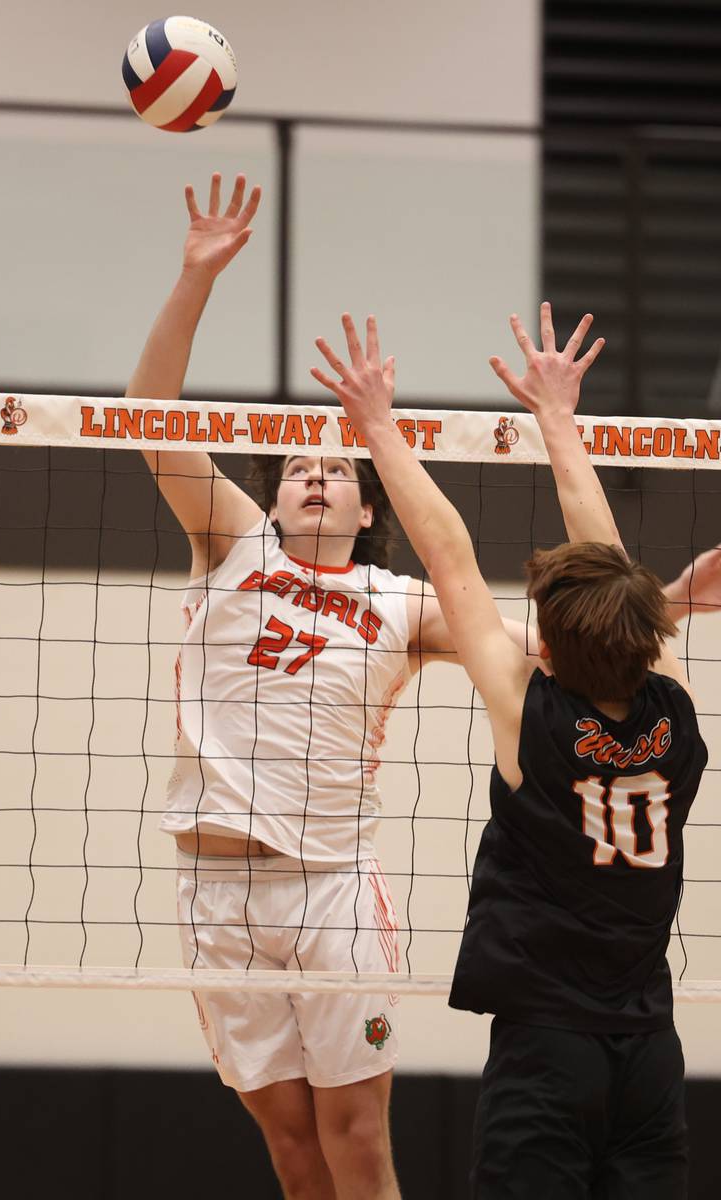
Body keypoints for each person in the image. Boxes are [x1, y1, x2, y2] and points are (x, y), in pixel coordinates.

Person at [127, 173, 537, 1200]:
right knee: (290, 1150)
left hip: (331, 889)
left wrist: (663, 599)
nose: (313, 476)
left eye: (337, 471)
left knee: (356, 1139)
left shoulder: (400, 601)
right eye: (298, 468)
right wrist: (194, 279)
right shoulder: (232, 544)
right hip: (212, 888)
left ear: (364, 509)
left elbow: (541, 642)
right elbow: (146, 415)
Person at [312, 303, 708, 1198]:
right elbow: (606, 558)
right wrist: (560, 421)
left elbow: (447, 552)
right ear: (648, 637)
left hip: (547, 1051)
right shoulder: (677, 719)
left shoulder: (533, 717)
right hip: (650, 1049)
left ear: (550, 647)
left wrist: (375, 425)